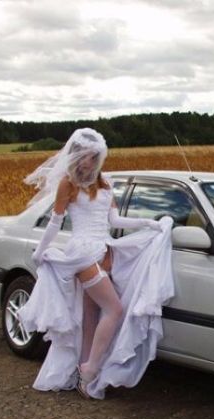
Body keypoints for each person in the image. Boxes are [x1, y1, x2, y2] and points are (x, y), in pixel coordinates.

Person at [17, 128, 174, 399]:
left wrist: (148, 223)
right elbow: (55, 222)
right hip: (82, 253)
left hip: (105, 249)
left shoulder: (105, 182)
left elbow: (114, 221)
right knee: (114, 309)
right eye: (87, 157)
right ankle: (90, 370)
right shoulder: (68, 183)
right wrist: (40, 252)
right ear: (76, 156)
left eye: (95, 157)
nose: (91, 162)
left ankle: (83, 371)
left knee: (91, 314)